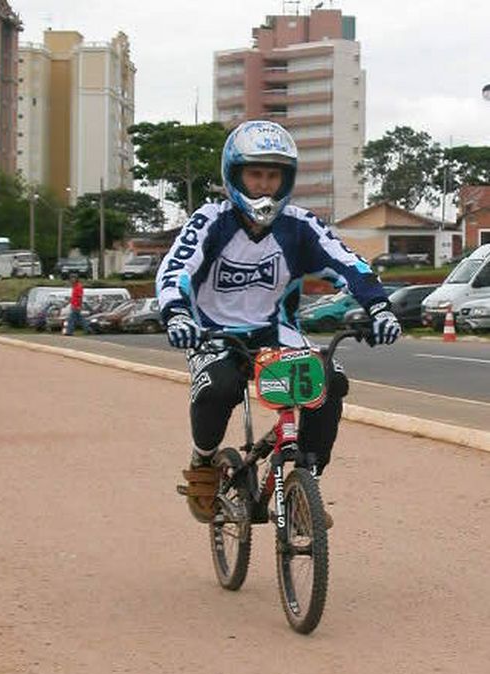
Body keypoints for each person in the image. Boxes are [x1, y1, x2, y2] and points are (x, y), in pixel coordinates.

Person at [156, 120, 401, 524]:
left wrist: (379, 308)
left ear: (287, 179)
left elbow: (348, 264)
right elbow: (177, 269)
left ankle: (308, 481)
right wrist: (176, 313)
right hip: (212, 334)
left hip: (276, 334)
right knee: (219, 388)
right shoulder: (210, 220)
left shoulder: (300, 226)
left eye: (274, 175)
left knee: (330, 379)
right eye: (255, 174)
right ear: (235, 175)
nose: (265, 185)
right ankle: (203, 462)